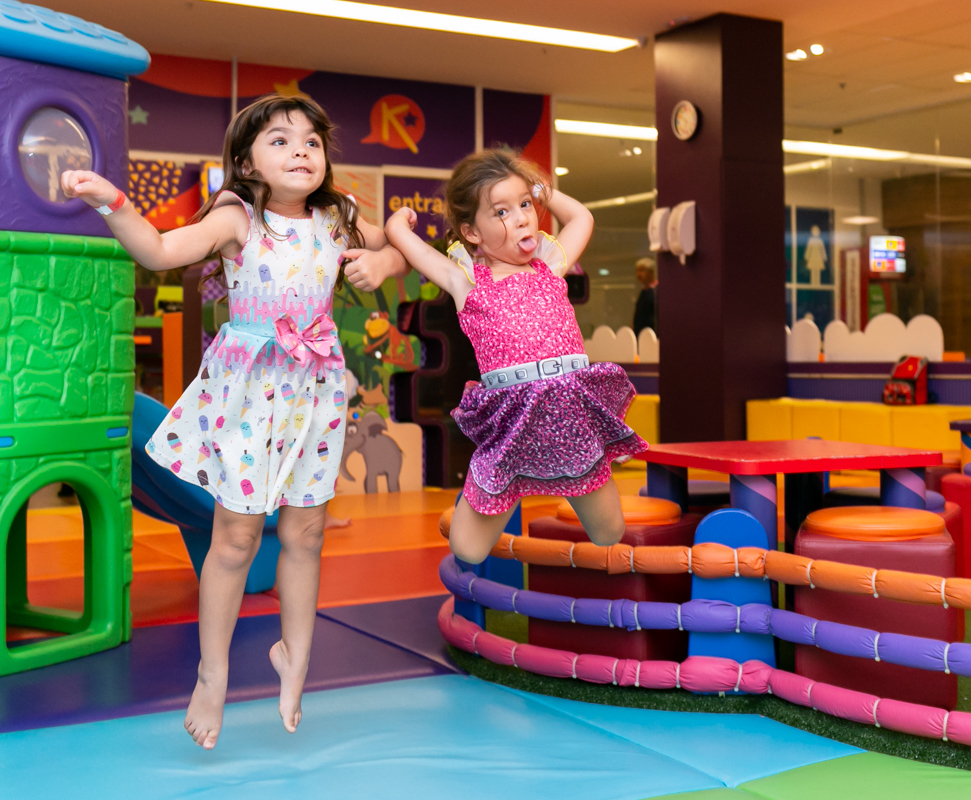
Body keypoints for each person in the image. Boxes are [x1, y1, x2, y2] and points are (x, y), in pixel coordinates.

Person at [61, 94, 402, 750]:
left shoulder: (337, 218)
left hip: (318, 387)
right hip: (252, 387)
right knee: (237, 538)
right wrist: (113, 202)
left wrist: (386, 259)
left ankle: (295, 658)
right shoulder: (238, 218)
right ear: (247, 160)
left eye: (311, 141)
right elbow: (160, 251)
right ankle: (211, 674)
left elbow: (390, 250)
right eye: (280, 140)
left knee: (306, 531)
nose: (300, 150)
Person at [382, 149, 647, 566]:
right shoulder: (466, 279)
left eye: (525, 205)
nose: (523, 217)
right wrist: (397, 226)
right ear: (472, 233)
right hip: (513, 416)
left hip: (568, 409)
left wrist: (544, 191)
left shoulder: (549, 266)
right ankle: (518, 479)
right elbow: (418, 253)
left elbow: (582, 219)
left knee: (609, 531)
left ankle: (547, 475)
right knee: (467, 548)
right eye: (502, 212)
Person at [632, 257, 657, 335]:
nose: (638, 274)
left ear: (651, 272)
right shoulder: (643, 291)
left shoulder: (657, 290)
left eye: (642, 270)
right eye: (637, 271)